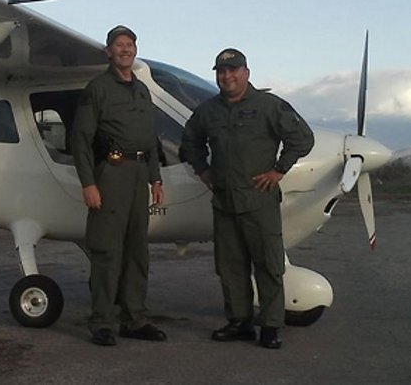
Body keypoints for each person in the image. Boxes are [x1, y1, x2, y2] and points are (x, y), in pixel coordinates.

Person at [180, 47, 314, 349]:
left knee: (267, 263)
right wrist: (202, 170)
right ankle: (239, 321)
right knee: (230, 265)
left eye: (233, 70)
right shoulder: (208, 111)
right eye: (221, 71)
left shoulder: (269, 106)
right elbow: (190, 141)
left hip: (259, 200)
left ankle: (270, 325)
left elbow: (302, 138)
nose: (227, 76)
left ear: (246, 73)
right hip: (224, 202)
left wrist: (278, 170)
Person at [70, 25, 166, 346]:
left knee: (137, 251)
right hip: (111, 174)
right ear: (108, 51)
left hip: (140, 173)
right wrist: (89, 183)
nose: (125, 49)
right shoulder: (97, 89)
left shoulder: (142, 91)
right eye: (119, 45)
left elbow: (149, 139)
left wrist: (156, 177)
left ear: (135, 50)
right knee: (107, 250)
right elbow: (80, 140)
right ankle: (102, 322)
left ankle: (134, 319)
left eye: (130, 44)